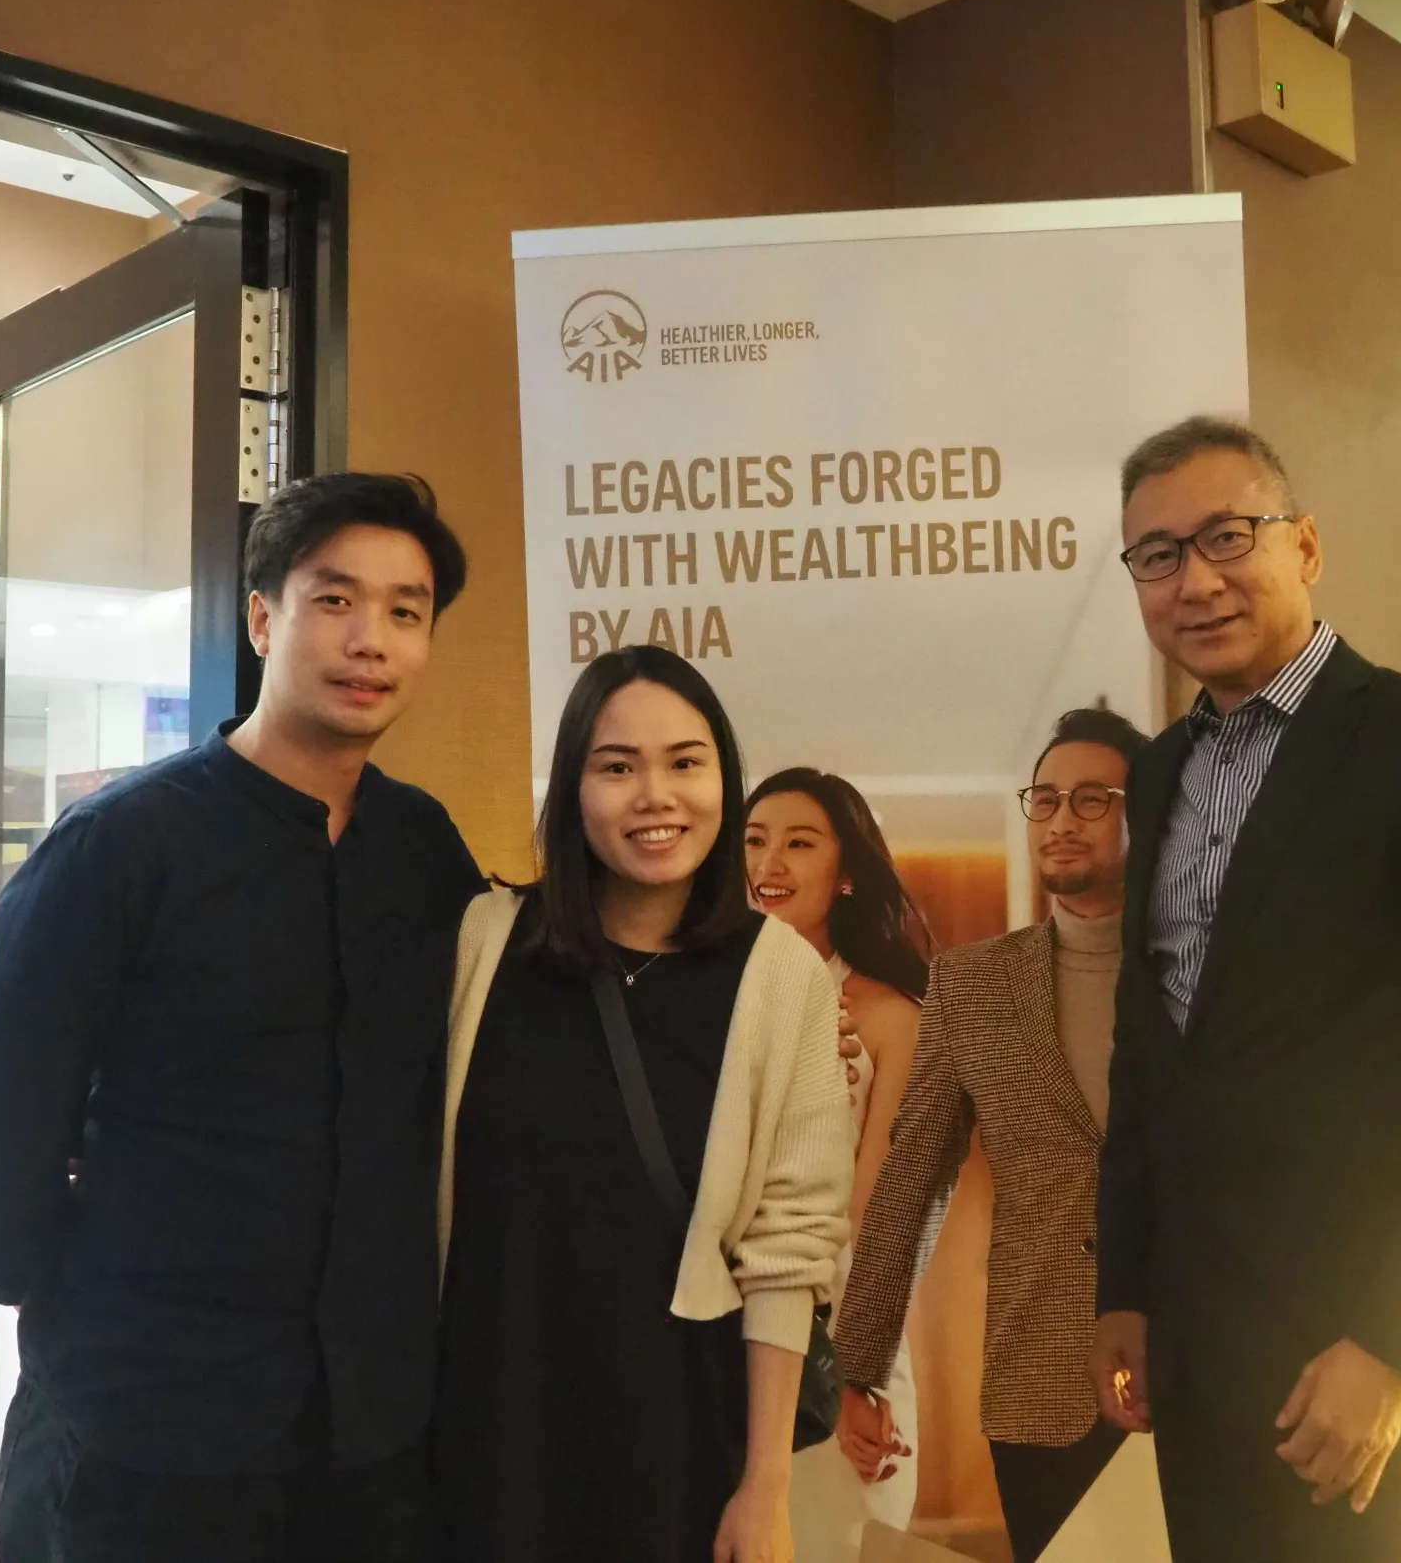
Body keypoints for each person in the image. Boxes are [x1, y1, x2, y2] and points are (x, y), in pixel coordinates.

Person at [0, 473, 482, 1563]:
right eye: (335, 600)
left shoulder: (424, 851)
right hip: (148, 1415)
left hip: (364, 1429)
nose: (369, 639)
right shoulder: (125, 843)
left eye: (405, 612)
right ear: (264, 618)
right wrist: (55, 1292)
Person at [1087, 416, 1401, 1563]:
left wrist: (1399, 1343)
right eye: (1156, 555)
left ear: (1303, 545)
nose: (1193, 580)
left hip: (1362, 1367)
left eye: (1225, 536)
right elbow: (1150, 1048)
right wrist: (1126, 1283)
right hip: (1199, 1361)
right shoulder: (1158, 773)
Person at [432, 646, 852, 1563]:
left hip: (677, 1441)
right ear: (572, 790)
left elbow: (791, 1251)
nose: (656, 796)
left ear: (723, 778)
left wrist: (765, 1488)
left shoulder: (779, 976)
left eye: (685, 762)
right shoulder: (485, 942)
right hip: (487, 1424)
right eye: (617, 767)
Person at [831, 706, 1149, 1563]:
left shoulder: (1204, 971)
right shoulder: (972, 984)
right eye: (1044, 800)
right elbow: (910, 1182)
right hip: (1040, 1374)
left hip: (1202, 1362)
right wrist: (856, 1370)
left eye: (1092, 799)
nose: (1061, 820)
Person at [745, 767, 933, 1563]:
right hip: (716, 1343)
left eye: (798, 843)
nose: (769, 863)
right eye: (753, 841)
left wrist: (855, 1373)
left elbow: (877, 1218)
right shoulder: (704, 1004)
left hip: (842, 1340)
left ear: (846, 871)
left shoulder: (889, 1018)